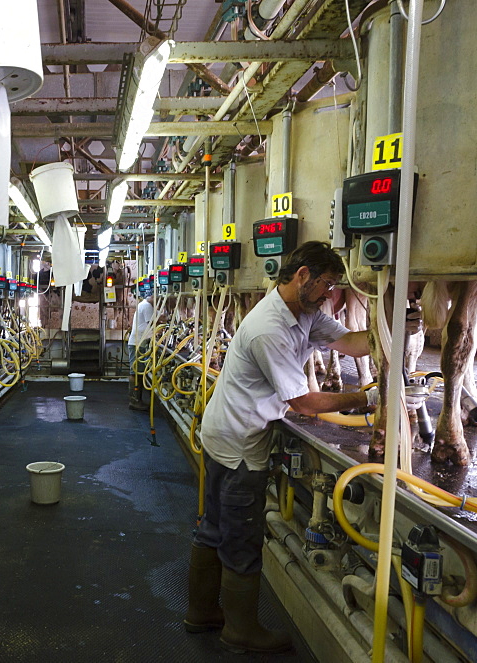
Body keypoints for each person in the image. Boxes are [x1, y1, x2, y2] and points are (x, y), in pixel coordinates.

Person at [183, 241, 423, 654]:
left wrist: (399, 325)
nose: (331, 294)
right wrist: (366, 400)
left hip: (228, 433)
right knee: (239, 535)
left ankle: (202, 612)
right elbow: (305, 403)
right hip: (239, 442)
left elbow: (352, 342)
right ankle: (239, 629)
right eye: (327, 284)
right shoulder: (268, 329)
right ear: (302, 277)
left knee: (214, 527)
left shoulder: (305, 313)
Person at [127, 290, 160, 411]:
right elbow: (152, 324)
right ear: (151, 296)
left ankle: (136, 399)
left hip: (139, 343)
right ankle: (134, 400)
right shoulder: (146, 306)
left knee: (137, 372)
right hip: (138, 344)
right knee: (135, 372)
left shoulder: (145, 305)